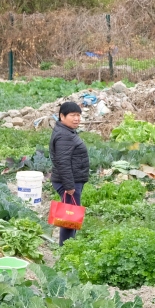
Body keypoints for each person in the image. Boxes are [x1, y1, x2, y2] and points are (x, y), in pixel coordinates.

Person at [49, 101, 90, 246]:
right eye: (73, 115)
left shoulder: (66, 131)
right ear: (62, 116)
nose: (76, 118)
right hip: (69, 182)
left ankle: (68, 247)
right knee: (69, 218)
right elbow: (63, 162)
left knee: (70, 217)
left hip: (72, 180)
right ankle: (66, 249)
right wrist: (69, 186)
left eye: (78, 115)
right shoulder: (64, 135)